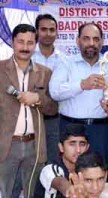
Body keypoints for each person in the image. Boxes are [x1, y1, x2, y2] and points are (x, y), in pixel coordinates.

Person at [0, 23, 58, 198]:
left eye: (29, 42)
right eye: (20, 41)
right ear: (13, 42)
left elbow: (53, 108)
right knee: (4, 197)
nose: (25, 46)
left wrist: (38, 99)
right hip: (6, 145)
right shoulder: (0, 70)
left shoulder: (45, 73)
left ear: (35, 44)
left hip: (35, 145)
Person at [49, 22, 108, 168]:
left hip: (101, 130)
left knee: (100, 173)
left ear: (102, 42)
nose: (91, 43)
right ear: (78, 40)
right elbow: (54, 92)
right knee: (69, 174)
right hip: (70, 127)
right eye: (86, 38)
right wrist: (81, 85)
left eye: (96, 39)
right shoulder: (66, 62)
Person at [33, 13, 66, 163]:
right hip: (31, 116)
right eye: (44, 29)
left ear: (57, 32)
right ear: (37, 31)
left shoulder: (64, 60)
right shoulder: (28, 57)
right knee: (31, 161)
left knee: (53, 159)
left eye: (52, 30)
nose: (48, 33)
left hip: (55, 118)